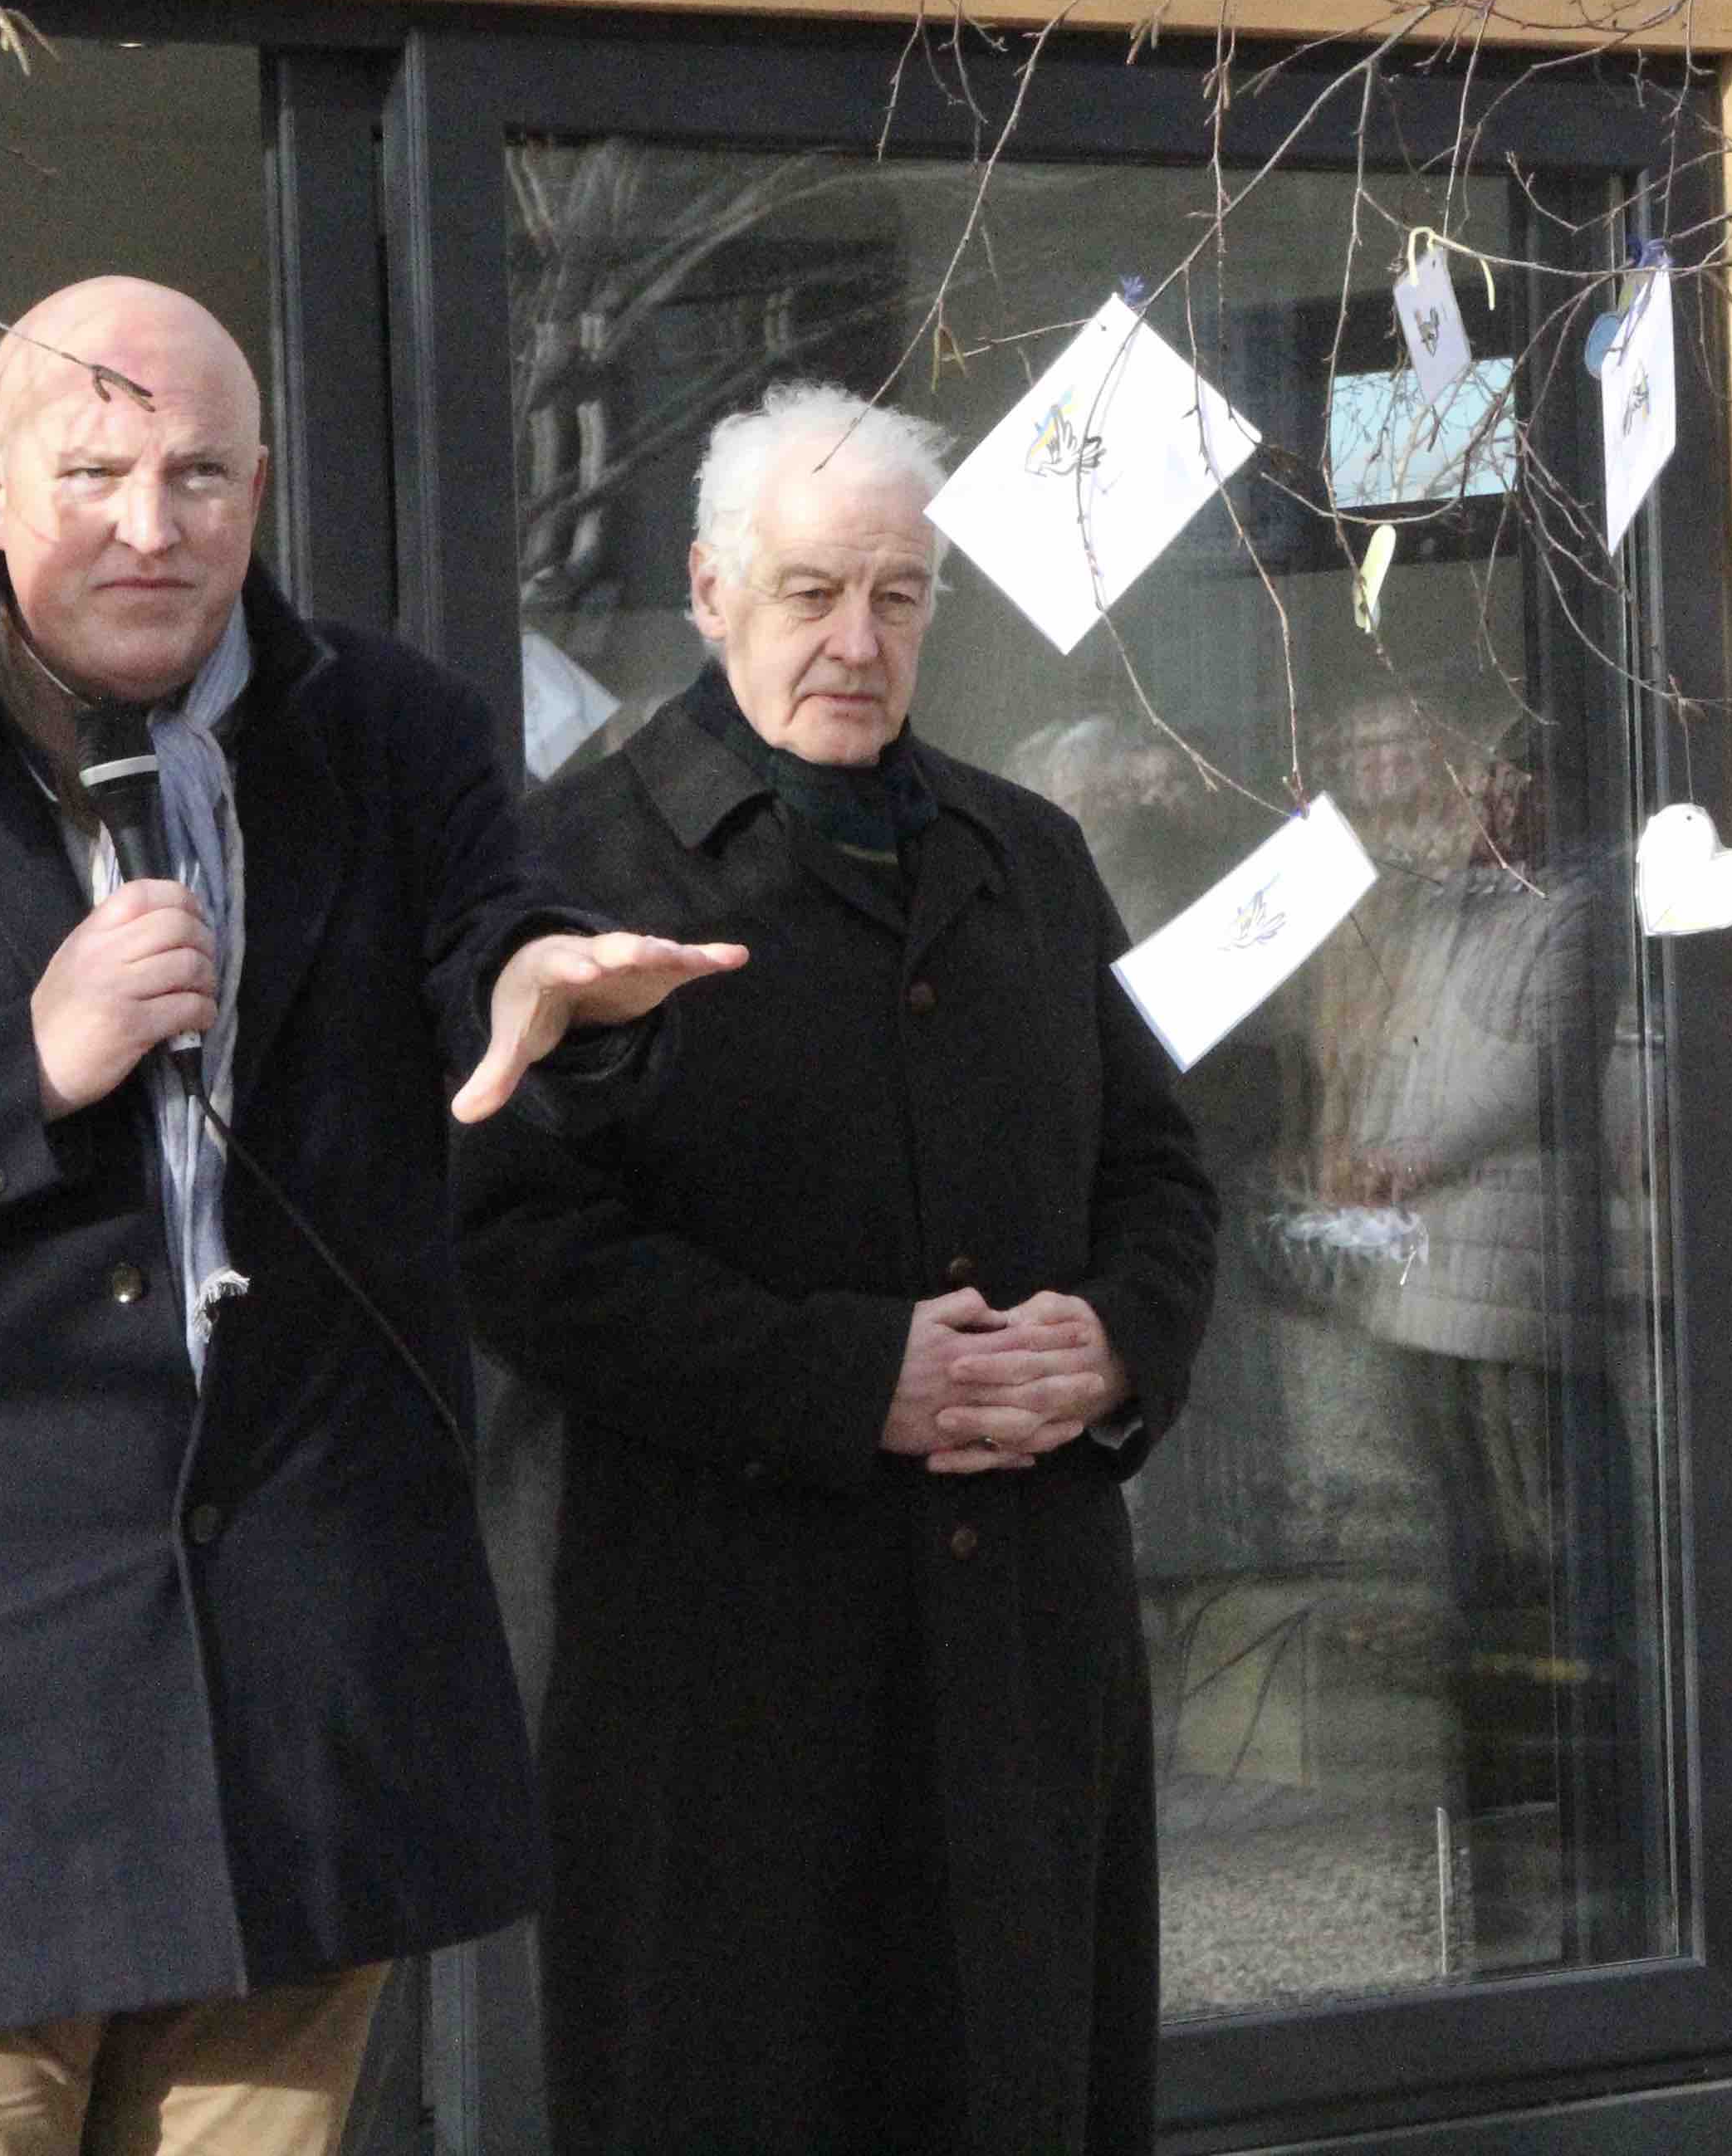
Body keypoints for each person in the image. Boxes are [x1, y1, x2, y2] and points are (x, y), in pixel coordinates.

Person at [0, 276, 740, 2156]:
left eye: (198, 472)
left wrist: (550, 994)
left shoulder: (399, 728)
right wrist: (15, 1063)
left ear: (258, 492)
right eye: (93, 467)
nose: (149, 521)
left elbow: (489, 946)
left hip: (303, 1719)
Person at [454, 379, 1217, 2155]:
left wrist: (1112, 1346)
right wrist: (845, 1372)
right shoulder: (574, 865)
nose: (856, 641)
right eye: (810, 592)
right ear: (711, 591)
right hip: (723, 1664)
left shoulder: (1024, 852)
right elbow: (512, 1245)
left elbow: (1164, 1170)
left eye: (897, 594)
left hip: (1020, 1651)